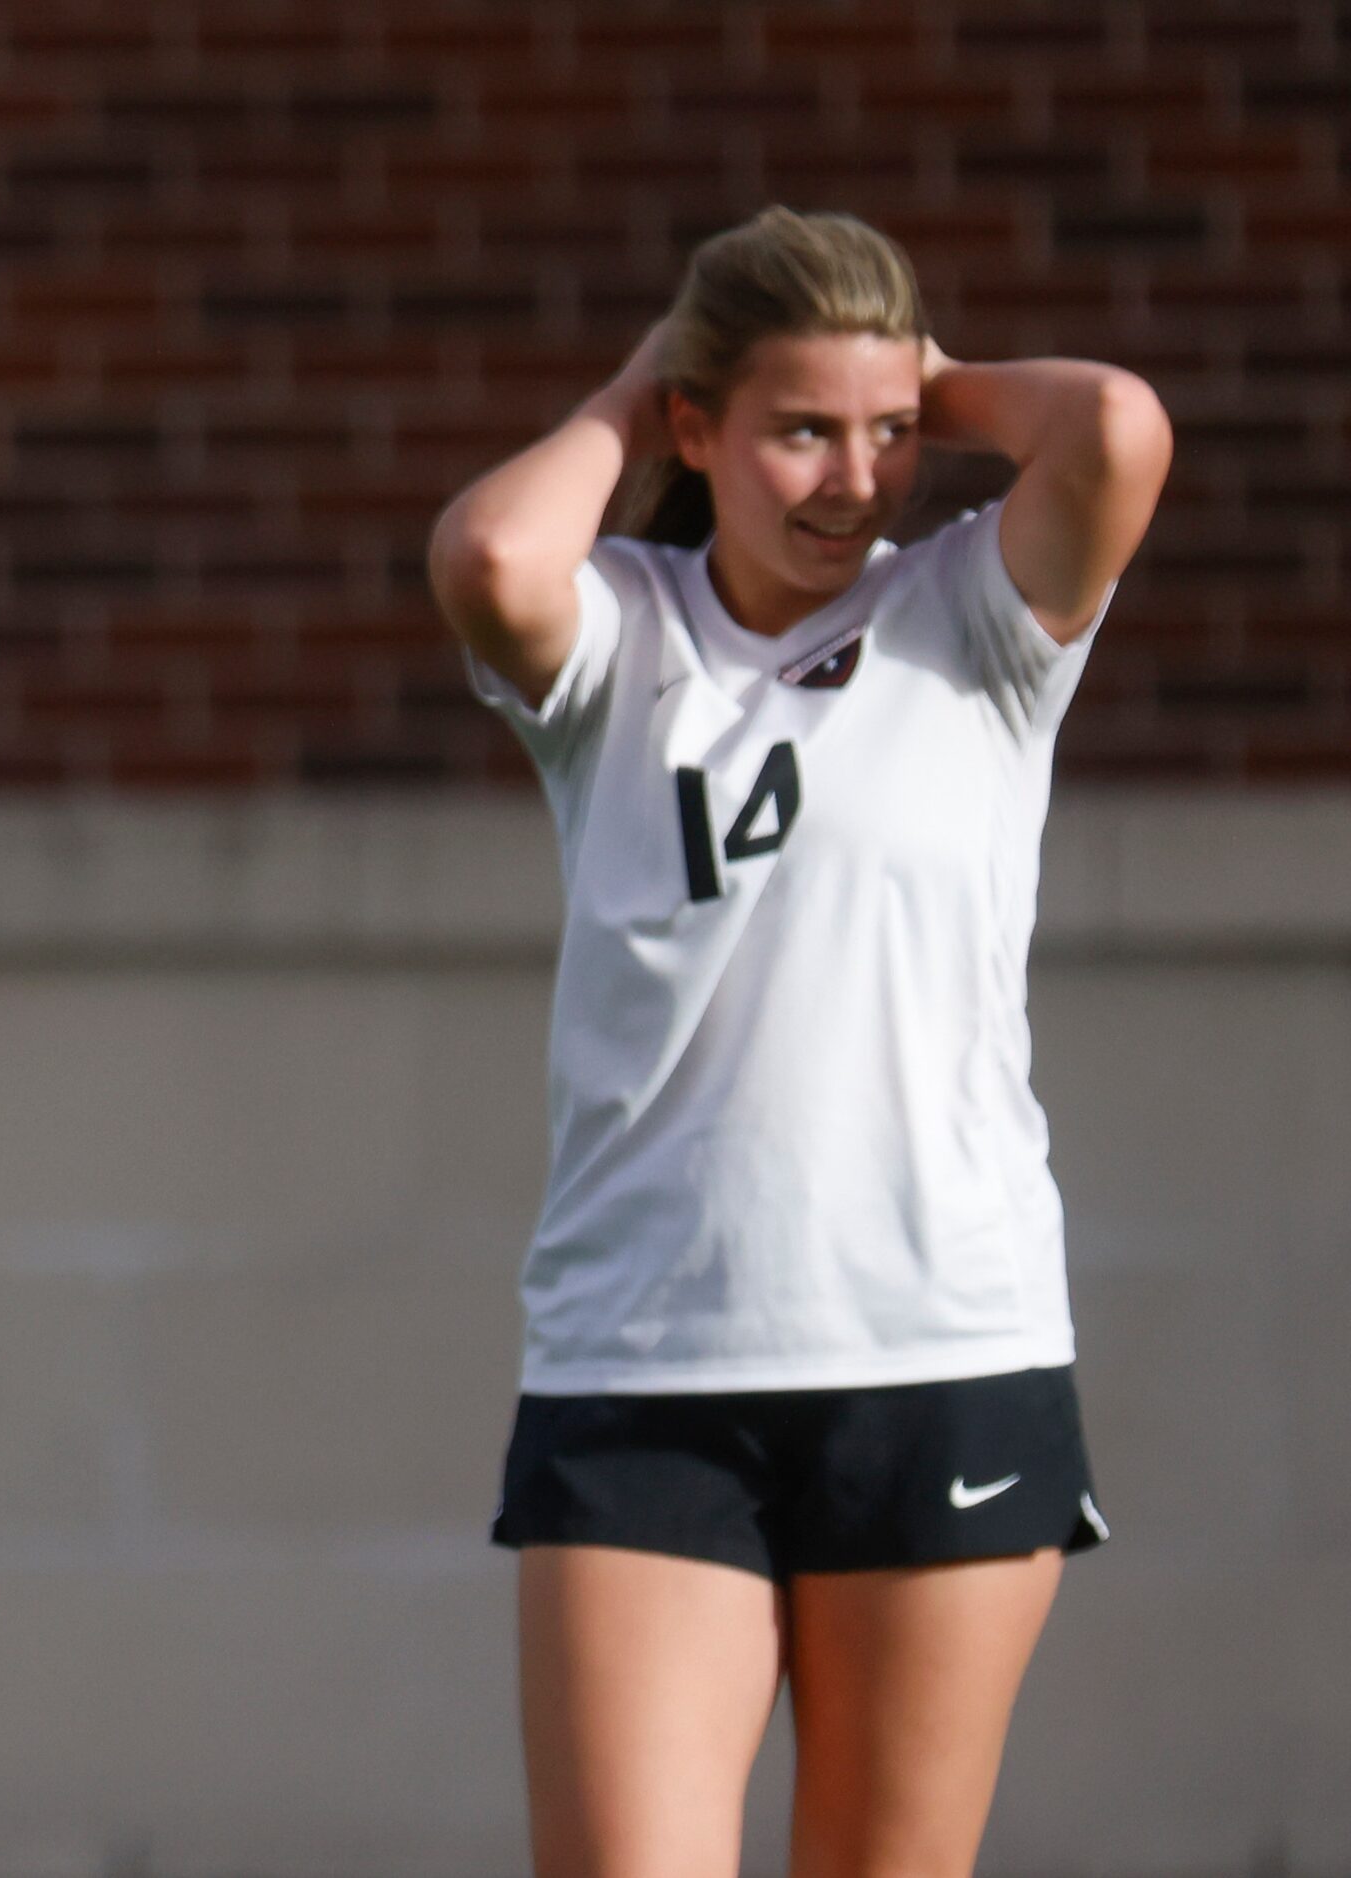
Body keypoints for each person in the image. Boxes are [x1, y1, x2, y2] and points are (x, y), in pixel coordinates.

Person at [428, 206, 1171, 1878]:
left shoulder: (976, 617)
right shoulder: (618, 632)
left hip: (938, 1356)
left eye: (886, 435)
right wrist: (645, 377)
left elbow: (1115, 426)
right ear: (697, 429)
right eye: (797, 431)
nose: (854, 480)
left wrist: (937, 382)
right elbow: (486, 560)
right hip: (646, 1375)